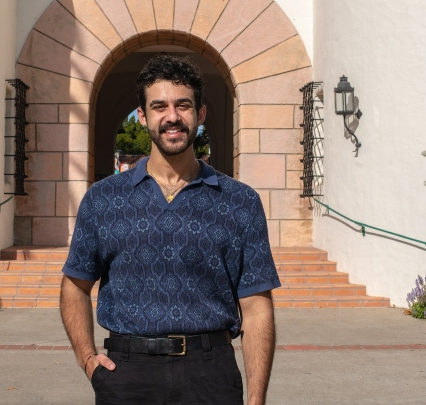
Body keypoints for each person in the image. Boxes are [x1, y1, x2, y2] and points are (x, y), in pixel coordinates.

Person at [60, 54, 280, 405]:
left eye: (183, 105)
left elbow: (256, 308)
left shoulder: (240, 201)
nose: (172, 117)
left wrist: (255, 402)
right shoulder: (103, 199)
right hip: (127, 374)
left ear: (201, 114)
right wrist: (89, 361)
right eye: (159, 106)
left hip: (212, 374)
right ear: (143, 116)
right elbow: (75, 285)